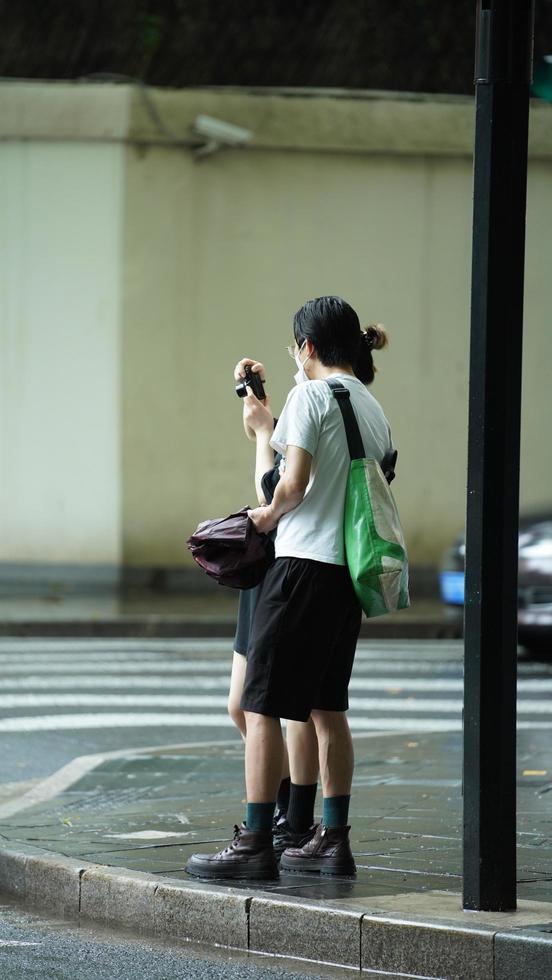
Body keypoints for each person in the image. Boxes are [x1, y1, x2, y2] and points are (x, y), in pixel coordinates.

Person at [186, 296, 392, 880]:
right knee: (328, 707)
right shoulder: (374, 408)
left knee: (260, 704)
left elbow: (292, 484)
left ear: (306, 347)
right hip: (344, 575)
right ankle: (333, 837)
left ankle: (255, 841)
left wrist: (260, 518)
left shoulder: (309, 395)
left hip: (300, 567)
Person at [228, 359, 320, 855]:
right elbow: (272, 489)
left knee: (288, 709)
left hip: (292, 564)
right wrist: (263, 425)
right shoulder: (306, 404)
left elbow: (279, 496)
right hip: (267, 566)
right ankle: (287, 810)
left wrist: (265, 431)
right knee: (241, 706)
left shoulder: (318, 403)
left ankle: (293, 819)